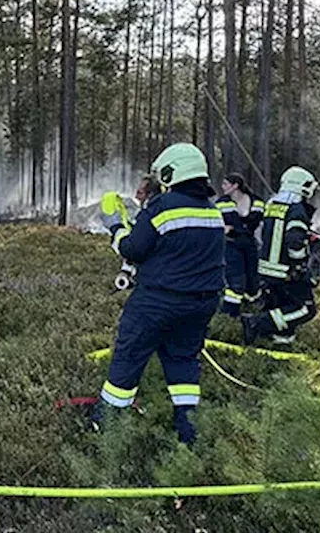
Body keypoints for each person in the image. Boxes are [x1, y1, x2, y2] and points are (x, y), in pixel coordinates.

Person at [96, 143, 226, 444]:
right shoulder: (212, 211)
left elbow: (134, 250)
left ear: (171, 172)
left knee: (128, 358)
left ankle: (107, 428)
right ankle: (188, 429)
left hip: (157, 303)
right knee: (183, 362)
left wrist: (115, 226)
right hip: (201, 305)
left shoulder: (164, 207)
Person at [243, 166, 320, 346]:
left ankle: (280, 342)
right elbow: (293, 241)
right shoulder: (296, 210)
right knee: (306, 309)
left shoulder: (272, 205)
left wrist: (306, 236)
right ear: (301, 185)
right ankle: (256, 323)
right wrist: (299, 265)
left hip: (267, 269)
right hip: (285, 271)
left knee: (280, 306)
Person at [216, 173, 265, 317]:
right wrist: (224, 229)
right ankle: (229, 315)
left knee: (253, 280)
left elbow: (260, 222)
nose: (222, 187)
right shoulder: (221, 203)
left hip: (250, 244)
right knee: (235, 280)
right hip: (231, 245)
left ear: (235, 185)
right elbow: (216, 222)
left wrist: (239, 227)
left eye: (226, 184)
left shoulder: (257, 202)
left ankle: (251, 308)